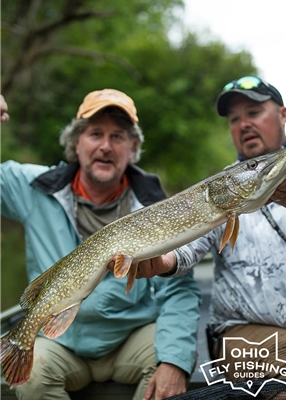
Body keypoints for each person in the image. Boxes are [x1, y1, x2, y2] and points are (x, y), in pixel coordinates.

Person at [0, 89, 201, 400]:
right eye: (95, 134)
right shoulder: (34, 188)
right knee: (33, 374)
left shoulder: (156, 207)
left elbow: (180, 289)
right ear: (76, 142)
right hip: (61, 343)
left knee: (171, 362)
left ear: (132, 147)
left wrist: (174, 361)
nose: (106, 146)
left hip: (130, 339)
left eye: (118, 136)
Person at [133, 76, 286, 382]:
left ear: (283, 115)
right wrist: (163, 261)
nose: (243, 124)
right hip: (241, 332)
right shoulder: (222, 188)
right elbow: (186, 247)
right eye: (234, 119)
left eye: (253, 112)